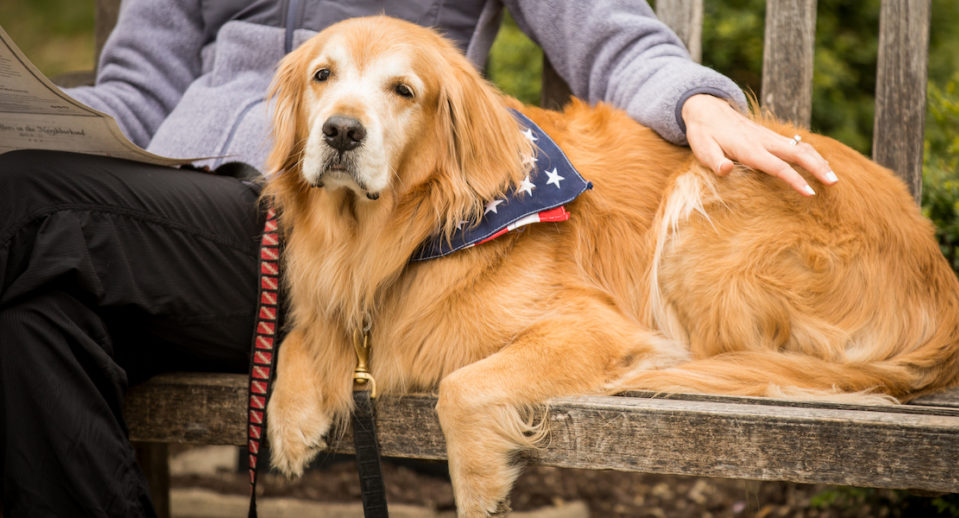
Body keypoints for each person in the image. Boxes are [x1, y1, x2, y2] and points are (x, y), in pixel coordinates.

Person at [0, 0, 834, 516]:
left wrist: (692, 99)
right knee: (30, 324)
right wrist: (46, 127)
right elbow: (139, 88)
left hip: (316, 229)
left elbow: (609, 33)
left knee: (24, 205)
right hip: (164, 204)